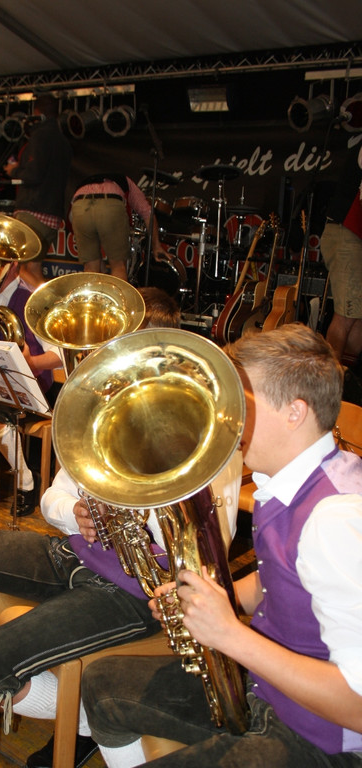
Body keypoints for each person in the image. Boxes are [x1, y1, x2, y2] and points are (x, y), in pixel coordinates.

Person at [80, 323, 362, 768]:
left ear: (295, 412)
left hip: (322, 742)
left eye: (241, 403)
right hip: (270, 693)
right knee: (103, 683)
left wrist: (230, 633)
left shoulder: (335, 520)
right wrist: (210, 601)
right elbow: (282, 582)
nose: (225, 418)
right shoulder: (289, 480)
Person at [0, 435, 241, 759]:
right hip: (74, 552)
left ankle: (99, 719)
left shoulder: (207, 436)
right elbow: (53, 497)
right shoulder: (108, 420)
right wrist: (76, 513)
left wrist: (132, 508)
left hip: (140, 589)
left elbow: (210, 549)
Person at [0, 261, 63, 516]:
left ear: (13, 265)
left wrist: (29, 363)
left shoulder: (33, 302)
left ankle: (25, 482)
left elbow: (60, 356)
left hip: (35, 387)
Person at [4, 93, 72, 284]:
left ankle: (46, 299)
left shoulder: (40, 136)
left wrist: (14, 170)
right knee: (33, 268)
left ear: (37, 112)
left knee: (20, 269)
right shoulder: (64, 142)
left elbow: (33, 175)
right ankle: (45, 300)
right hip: (52, 215)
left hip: (33, 211)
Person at [70, 173, 165, 282]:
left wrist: (97, 261)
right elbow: (148, 213)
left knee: (90, 269)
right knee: (118, 267)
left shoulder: (85, 183)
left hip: (79, 206)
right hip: (110, 203)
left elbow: (71, 218)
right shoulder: (124, 180)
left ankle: (91, 291)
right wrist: (156, 246)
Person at [320, 141, 362, 364]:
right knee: (346, 314)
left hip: (354, 233)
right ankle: (329, 378)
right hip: (346, 232)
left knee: (357, 315)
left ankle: (347, 375)